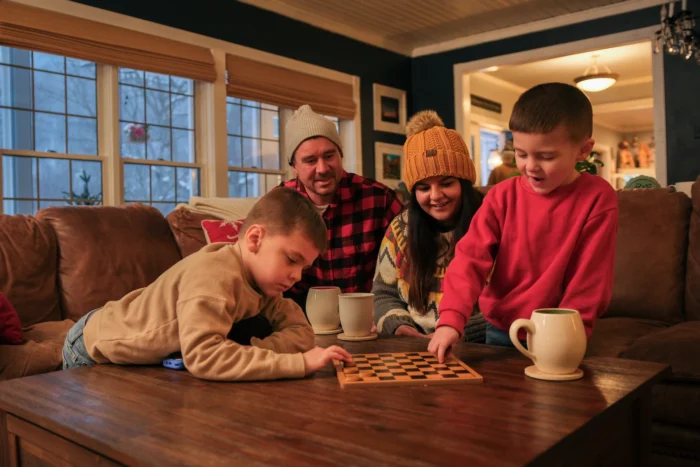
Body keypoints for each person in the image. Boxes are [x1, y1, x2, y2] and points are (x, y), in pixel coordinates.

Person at [63, 188, 352, 380]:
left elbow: (302, 333)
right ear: (254, 239)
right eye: (291, 259)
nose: (297, 276)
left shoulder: (265, 284)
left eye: (304, 267)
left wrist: (255, 349)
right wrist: (298, 364)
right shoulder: (215, 276)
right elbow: (205, 356)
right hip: (91, 345)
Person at [428, 82, 619, 362]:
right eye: (521, 154)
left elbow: (590, 281)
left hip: (561, 332)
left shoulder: (598, 198)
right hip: (502, 329)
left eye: (546, 156)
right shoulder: (501, 196)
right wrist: (450, 319)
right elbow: (470, 258)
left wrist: (564, 334)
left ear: (583, 150)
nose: (530, 166)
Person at [372, 110, 486, 341]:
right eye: (424, 188)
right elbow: (383, 295)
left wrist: (457, 331)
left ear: (464, 183)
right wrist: (400, 327)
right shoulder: (399, 228)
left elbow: (512, 300)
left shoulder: (491, 222)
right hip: (413, 346)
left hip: (481, 347)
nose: (436, 196)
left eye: (446, 183)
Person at [281, 105, 403, 309]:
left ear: (340, 154)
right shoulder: (279, 205)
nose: (322, 168)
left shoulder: (379, 199)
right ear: (294, 166)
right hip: (301, 324)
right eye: (310, 160)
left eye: (329, 156)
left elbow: (412, 262)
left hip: (370, 322)